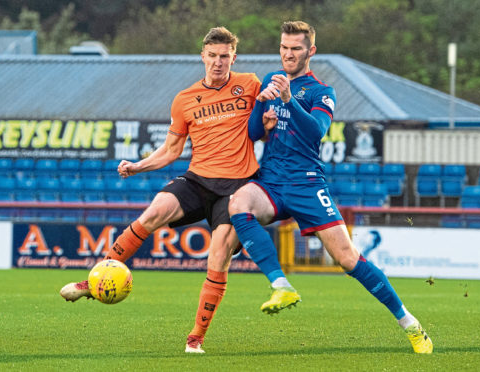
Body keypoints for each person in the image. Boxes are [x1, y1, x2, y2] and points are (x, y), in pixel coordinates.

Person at [228, 21, 433, 354]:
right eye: (283, 47)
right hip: (271, 181)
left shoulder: (322, 91)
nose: (288, 54)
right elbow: (252, 134)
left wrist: (287, 99)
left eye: (295, 48)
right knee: (238, 203)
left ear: (311, 51)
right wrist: (259, 105)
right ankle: (281, 285)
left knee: (348, 259)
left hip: (307, 184)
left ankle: (410, 324)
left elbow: (315, 132)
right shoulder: (270, 80)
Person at [60, 26, 261, 354]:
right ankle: (92, 282)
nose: (218, 62)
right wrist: (138, 166)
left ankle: (196, 337)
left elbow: (275, 112)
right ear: (203, 56)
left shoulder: (250, 85)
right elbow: (170, 151)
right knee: (154, 211)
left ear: (233, 58)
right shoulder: (185, 99)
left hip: (237, 189)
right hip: (198, 180)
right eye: (212, 56)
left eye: (225, 56)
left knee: (220, 253)